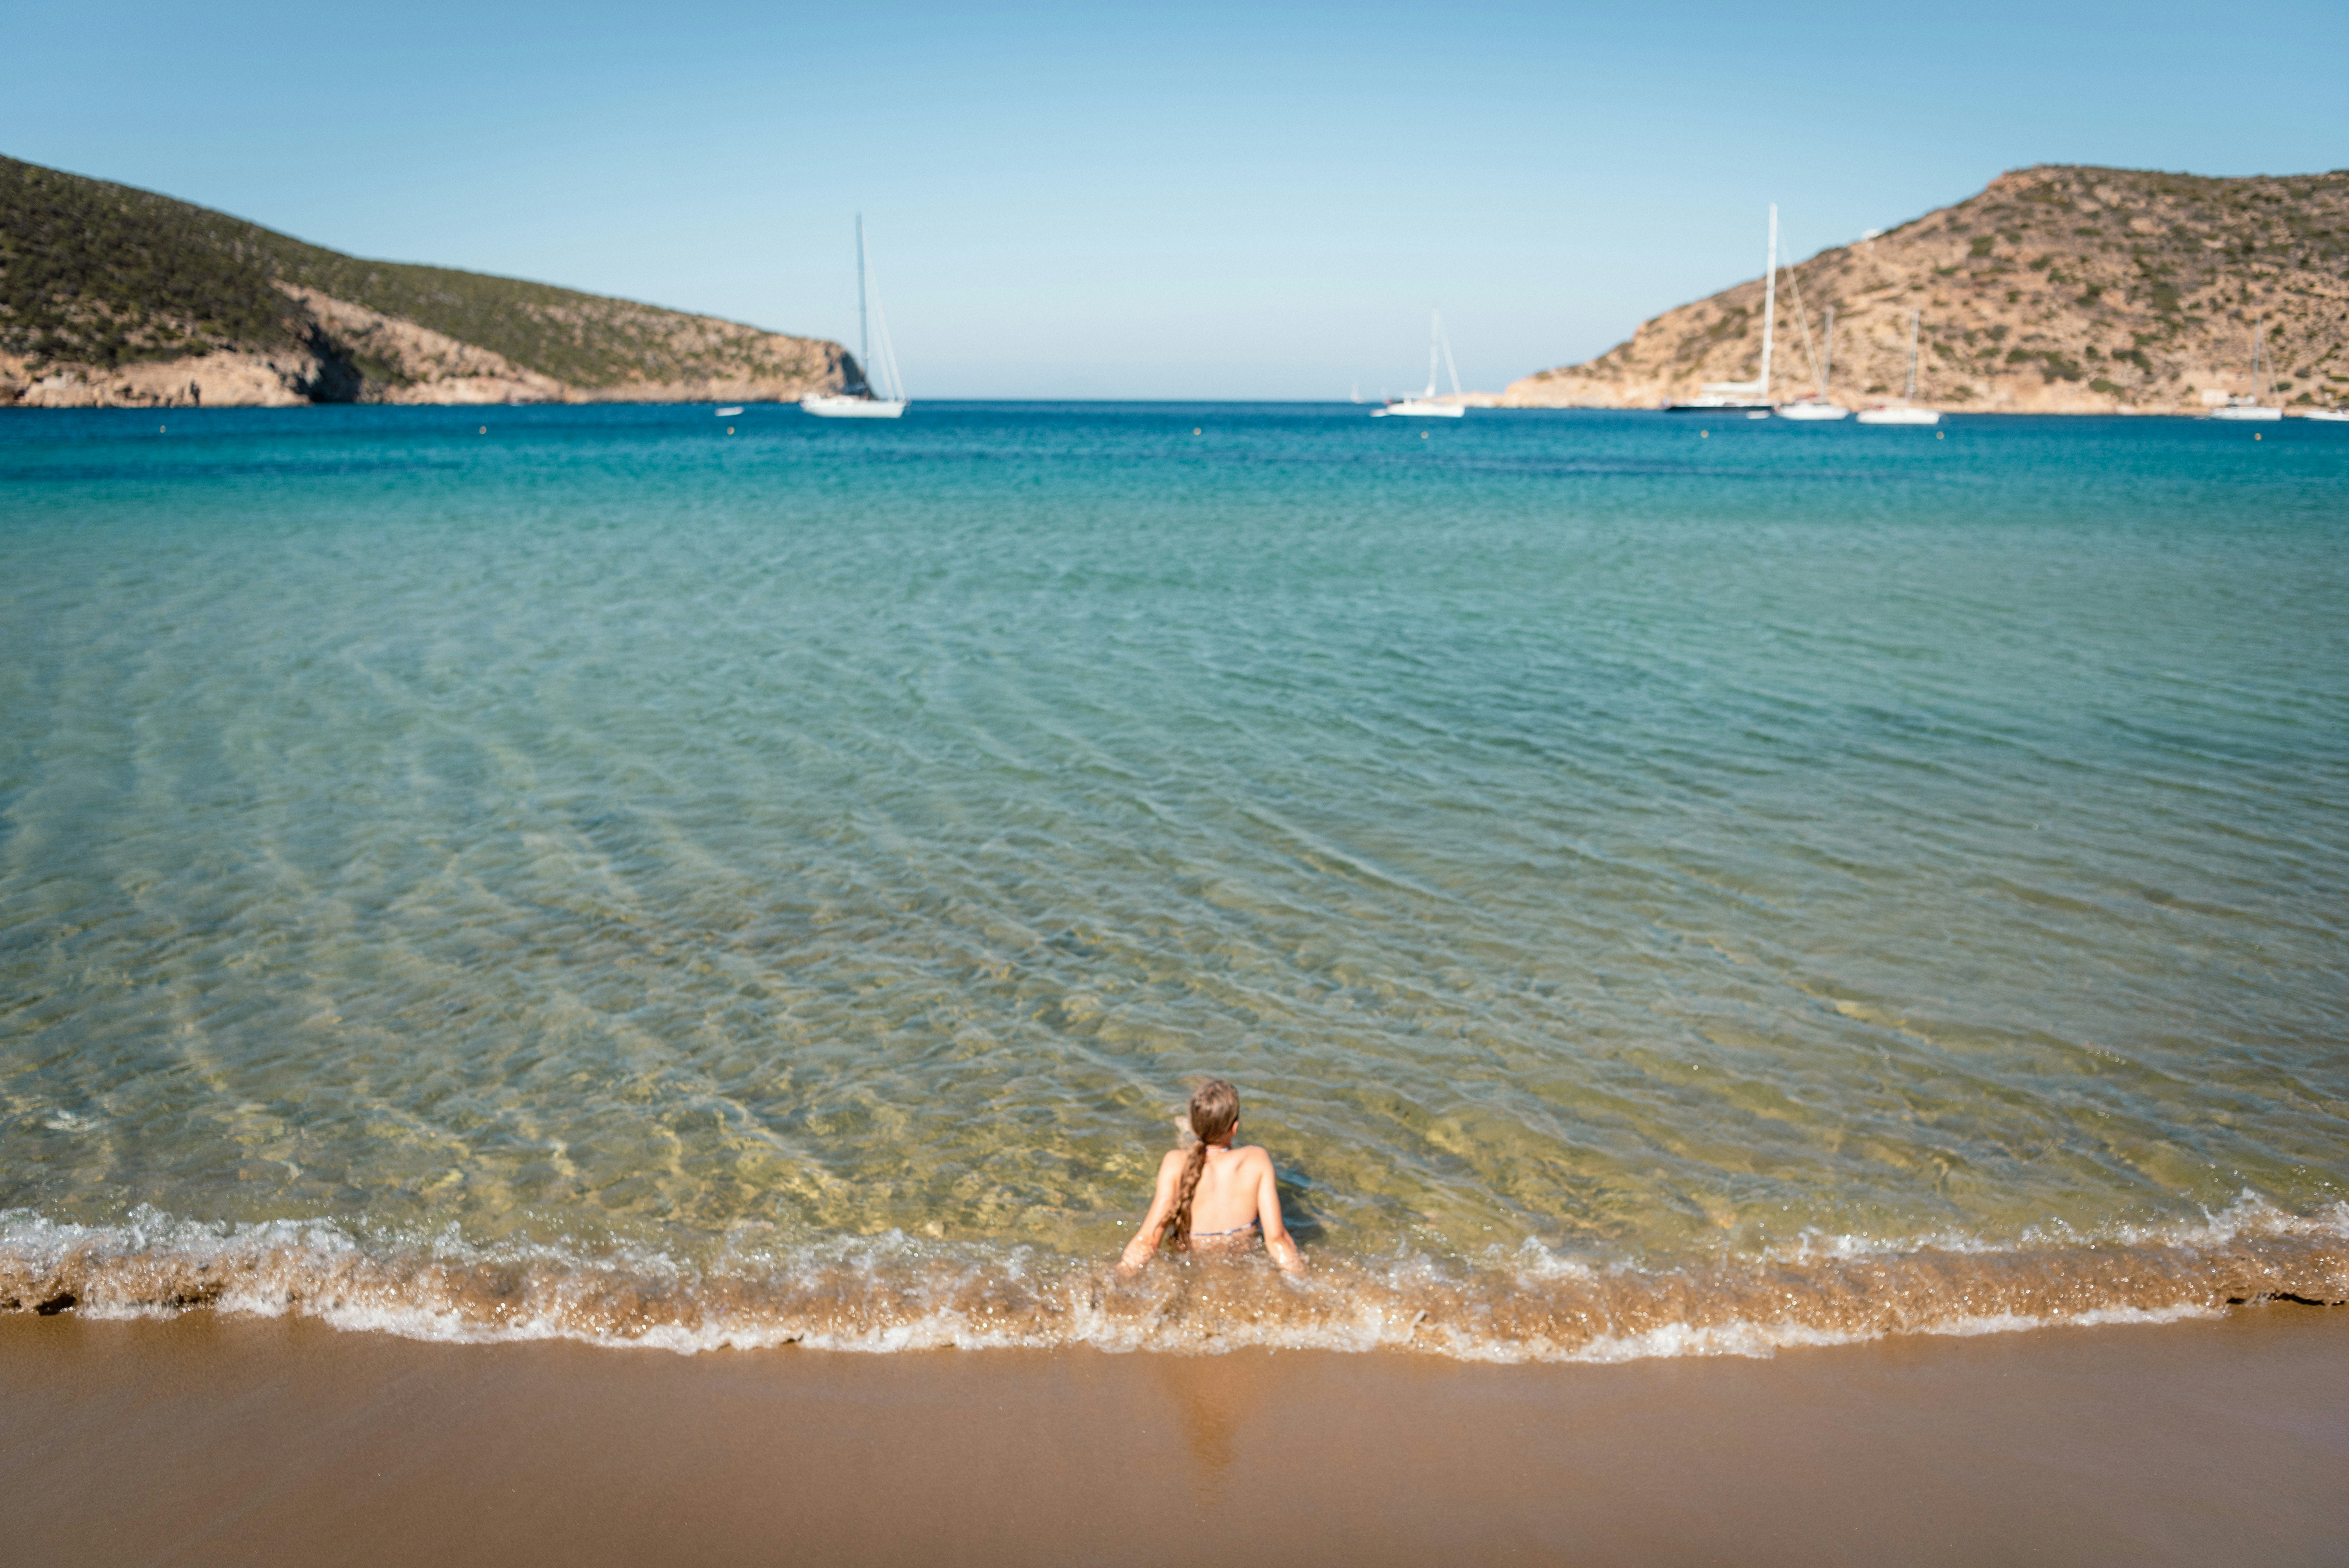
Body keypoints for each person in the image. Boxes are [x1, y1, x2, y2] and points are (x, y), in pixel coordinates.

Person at [1117, 1079, 1305, 1276]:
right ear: (1235, 1127)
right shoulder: (1256, 1160)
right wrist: (1303, 1281)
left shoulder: (1174, 1163)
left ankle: (1184, 1131)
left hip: (1192, 1265)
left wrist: (1121, 1274)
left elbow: (1148, 1240)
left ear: (1194, 1126)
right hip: (1240, 1263)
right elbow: (1277, 1240)